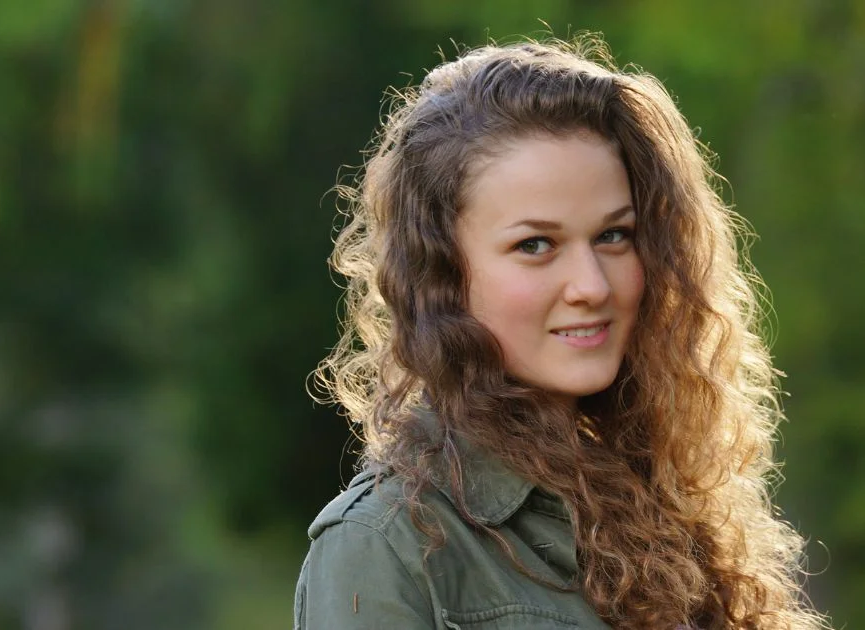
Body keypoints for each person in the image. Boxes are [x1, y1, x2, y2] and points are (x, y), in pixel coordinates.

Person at [295, 34, 826, 630]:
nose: (592, 286)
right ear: (442, 273)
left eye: (613, 236)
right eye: (536, 245)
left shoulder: (671, 510)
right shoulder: (383, 546)